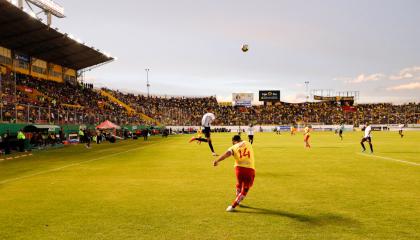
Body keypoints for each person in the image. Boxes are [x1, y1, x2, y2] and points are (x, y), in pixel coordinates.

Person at [213, 135, 255, 212]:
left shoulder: (233, 147)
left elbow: (226, 154)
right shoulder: (248, 143)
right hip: (249, 169)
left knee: (239, 183)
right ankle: (233, 205)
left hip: (238, 169)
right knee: (245, 189)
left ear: (233, 141)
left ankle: (237, 200)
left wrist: (217, 160)